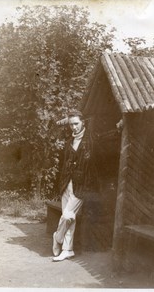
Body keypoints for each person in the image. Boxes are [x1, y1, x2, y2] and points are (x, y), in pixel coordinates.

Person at [52, 110, 98, 261]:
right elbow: (64, 164)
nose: (74, 127)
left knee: (67, 215)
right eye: (71, 124)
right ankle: (68, 249)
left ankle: (57, 237)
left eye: (76, 123)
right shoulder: (68, 142)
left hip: (82, 186)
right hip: (67, 184)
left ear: (83, 122)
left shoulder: (91, 139)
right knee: (71, 220)